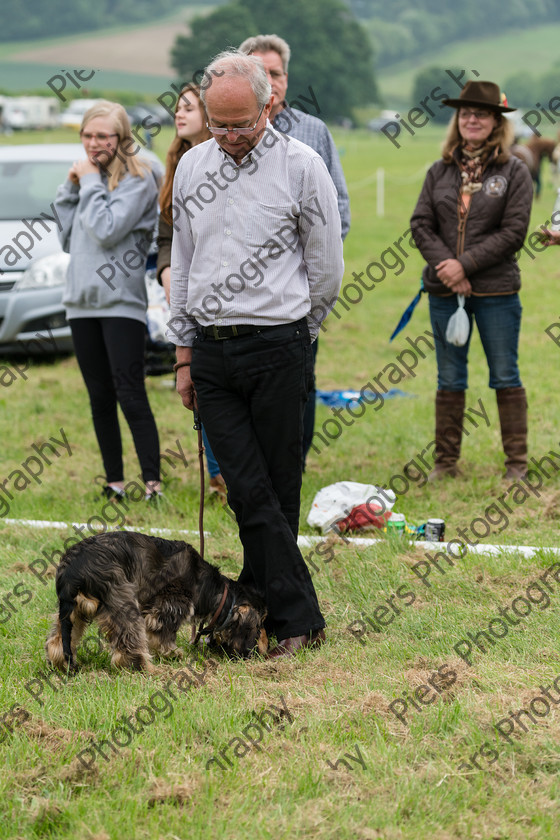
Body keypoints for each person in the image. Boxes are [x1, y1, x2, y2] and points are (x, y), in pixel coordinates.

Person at [167, 50, 344, 657]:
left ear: (268, 103)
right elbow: (183, 261)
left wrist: (301, 329)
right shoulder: (192, 168)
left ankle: (259, 611)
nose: (232, 137)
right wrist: (184, 351)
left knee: (278, 487)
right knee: (244, 487)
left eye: (242, 124)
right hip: (212, 353)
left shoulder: (302, 166)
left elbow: (325, 265)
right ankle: (298, 616)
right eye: (219, 125)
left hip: (278, 343)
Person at [410, 81, 533, 480]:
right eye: (465, 113)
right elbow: (421, 224)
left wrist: (464, 265)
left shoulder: (515, 171)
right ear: (457, 121)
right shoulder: (439, 170)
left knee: (505, 375)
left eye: (481, 113)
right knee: (449, 378)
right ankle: (446, 463)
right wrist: (448, 266)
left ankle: (516, 464)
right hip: (445, 292)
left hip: (497, 291)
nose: (472, 119)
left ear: (497, 122)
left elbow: (513, 232)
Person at [239, 34, 350, 470]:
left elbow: (337, 206)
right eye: (259, 73)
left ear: (287, 77)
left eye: (276, 73)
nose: (270, 81)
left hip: (297, 291)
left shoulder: (312, 132)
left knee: (299, 380)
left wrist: (310, 260)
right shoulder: (228, 134)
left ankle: (291, 465)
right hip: (238, 290)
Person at [55, 100, 163, 502]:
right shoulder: (87, 181)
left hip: (121, 305)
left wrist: (88, 184)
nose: (94, 143)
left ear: (122, 139)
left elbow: (104, 230)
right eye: (88, 135)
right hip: (80, 303)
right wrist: (70, 187)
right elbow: (69, 238)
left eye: (103, 136)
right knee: (99, 397)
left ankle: (152, 483)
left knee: (130, 392)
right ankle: (114, 483)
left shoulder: (139, 181)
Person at [157, 84, 226, 504]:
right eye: (176, 108)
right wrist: (167, 270)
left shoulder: (227, 161)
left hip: (227, 293)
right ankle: (218, 477)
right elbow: (166, 233)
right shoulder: (177, 162)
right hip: (186, 292)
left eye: (187, 107)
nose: (178, 115)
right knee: (200, 387)